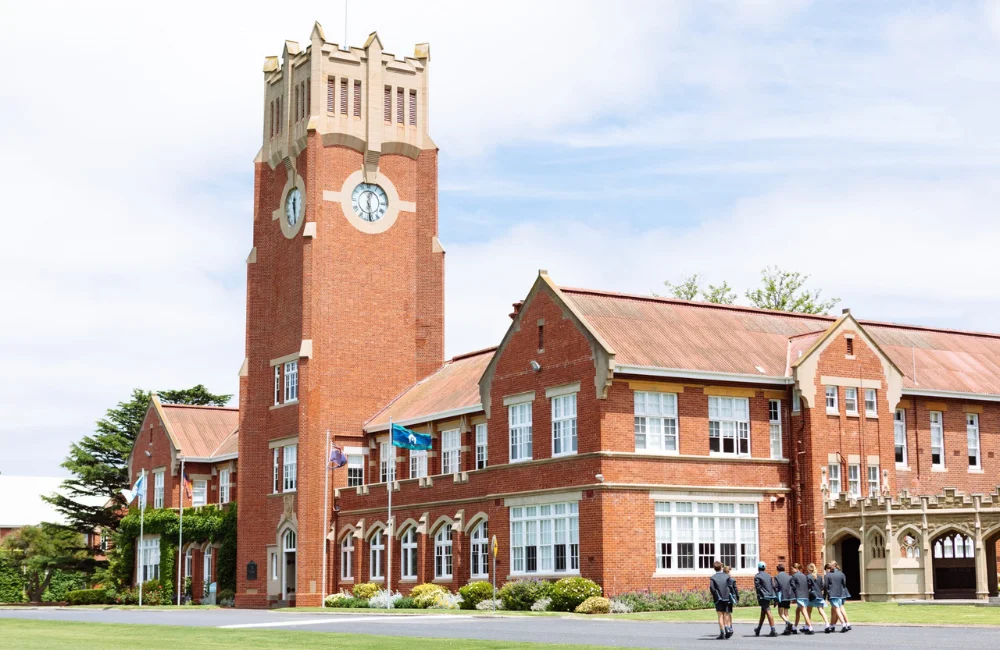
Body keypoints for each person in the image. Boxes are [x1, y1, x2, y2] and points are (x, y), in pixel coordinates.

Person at [826, 561, 853, 632]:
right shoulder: (841, 574)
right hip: (840, 594)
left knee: (837, 609)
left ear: (834, 566)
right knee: (840, 608)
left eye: (830, 566)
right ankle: (845, 624)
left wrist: (826, 594)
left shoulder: (828, 575)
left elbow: (826, 586)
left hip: (833, 594)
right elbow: (844, 583)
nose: (829, 567)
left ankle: (843, 625)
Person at [806, 563, 833, 633]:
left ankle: (808, 626)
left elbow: (807, 587)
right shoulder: (820, 577)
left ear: (809, 569)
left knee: (808, 611)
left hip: (812, 596)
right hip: (819, 595)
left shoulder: (808, 577)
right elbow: (822, 587)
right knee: (821, 611)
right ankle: (827, 625)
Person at [753, 561, 778, 637]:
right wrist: (775, 597)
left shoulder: (757, 576)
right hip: (769, 595)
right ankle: (758, 629)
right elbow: (773, 586)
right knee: (763, 613)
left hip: (763, 596)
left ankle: (773, 630)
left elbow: (758, 587)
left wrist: (759, 596)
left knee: (767, 611)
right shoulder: (769, 576)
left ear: (758, 568)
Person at [709, 561, 731, 640]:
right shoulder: (726, 576)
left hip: (718, 598)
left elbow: (712, 588)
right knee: (726, 614)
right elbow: (730, 585)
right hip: (726, 597)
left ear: (714, 568)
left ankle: (722, 632)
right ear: (721, 567)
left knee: (720, 615)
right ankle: (727, 628)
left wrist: (715, 594)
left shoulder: (713, 577)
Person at [789, 563, 813, 635]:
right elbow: (809, 584)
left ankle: (810, 627)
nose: (791, 570)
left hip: (799, 596)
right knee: (797, 611)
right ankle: (795, 627)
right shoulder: (804, 576)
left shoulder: (794, 576)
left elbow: (793, 586)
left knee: (804, 611)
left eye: (792, 568)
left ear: (796, 568)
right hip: (806, 595)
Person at [773, 563, 794, 635]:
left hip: (781, 596)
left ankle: (788, 623)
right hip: (788, 596)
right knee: (786, 612)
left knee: (780, 613)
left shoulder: (777, 577)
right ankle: (787, 628)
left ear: (777, 570)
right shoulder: (789, 577)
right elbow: (792, 586)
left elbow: (776, 587)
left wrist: (775, 598)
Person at [725, 565, 738, 637]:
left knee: (726, 613)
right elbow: (735, 589)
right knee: (729, 612)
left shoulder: (723, 579)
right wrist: (737, 597)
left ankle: (728, 627)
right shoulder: (732, 580)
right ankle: (730, 627)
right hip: (731, 597)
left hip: (725, 597)